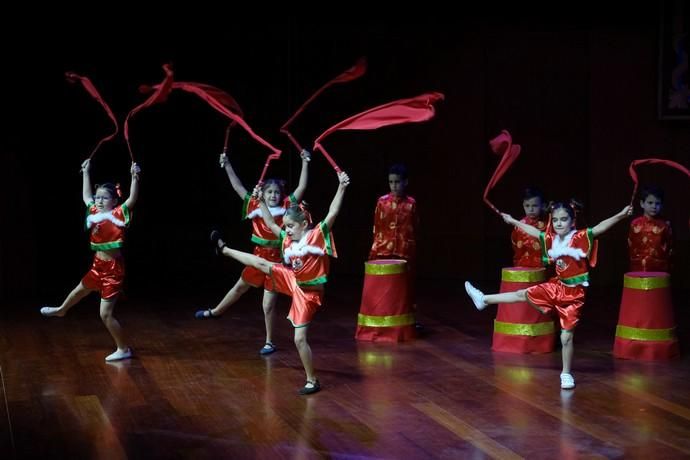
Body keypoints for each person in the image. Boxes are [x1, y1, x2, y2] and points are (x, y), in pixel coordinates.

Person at [465, 201, 632, 389]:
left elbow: (600, 227)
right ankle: (484, 299)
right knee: (522, 294)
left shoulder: (579, 237)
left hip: (574, 294)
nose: (559, 223)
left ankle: (566, 373)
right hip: (556, 286)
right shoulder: (552, 239)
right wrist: (512, 220)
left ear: (572, 221)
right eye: (557, 220)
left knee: (566, 337)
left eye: (564, 220)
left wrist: (621, 215)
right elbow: (534, 232)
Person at [211, 170, 350, 395]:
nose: (285, 230)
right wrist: (259, 201)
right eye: (285, 226)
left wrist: (341, 187)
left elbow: (333, 212)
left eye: (290, 227)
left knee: (299, 339)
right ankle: (224, 249)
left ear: (303, 224)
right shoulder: (287, 238)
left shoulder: (315, 235)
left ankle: (312, 380)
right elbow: (268, 222)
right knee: (262, 263)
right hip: (294, 280)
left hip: (309, 294)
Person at [195, 149, 310, 356]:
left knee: (268, 305)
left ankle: (269, 342)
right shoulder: (255, 204)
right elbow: (237, 186)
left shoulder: (286, 206)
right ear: (263, 194)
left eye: (276, 192)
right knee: (238, 288)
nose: (273, 195)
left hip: (276, 262)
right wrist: (227, 165)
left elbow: (302, 186)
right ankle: (216, 311)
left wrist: (304, 162)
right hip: (257, 257)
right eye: (269, 192)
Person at [40, 159, 141, 362]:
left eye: (105, 198)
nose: (99, 200)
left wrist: (135, 177)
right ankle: (61, 310)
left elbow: (132, 198)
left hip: (113, 270)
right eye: (98, 197)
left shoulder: (119, 213)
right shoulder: (93, 211)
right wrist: (86, 172)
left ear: (114, 200)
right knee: (79, 290)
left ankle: (124, 349)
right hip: (98, 265)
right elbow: (86, 195)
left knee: (105, 314)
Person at [368, 164, 419, 320]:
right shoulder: (382, 202)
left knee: (404, 288)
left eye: (397, 182)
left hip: (404, 250)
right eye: (391, 182)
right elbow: (376, 227)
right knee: (384, 288)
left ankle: (404, 319)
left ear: (405, 182)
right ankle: (383, 318)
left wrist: (411, 247)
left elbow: (415, 227)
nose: (394, 185)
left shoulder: (411, 203)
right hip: (383, 250)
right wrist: (374, 250)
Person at [628, 185, 672, 272]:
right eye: (650, 203)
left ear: (662, 205)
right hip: (637, 268)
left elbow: (670, 248)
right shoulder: (635, 224)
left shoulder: (665, 225)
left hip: (660, 270)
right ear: (642, 204)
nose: (654, 206)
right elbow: (630, 245)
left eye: (657, 203)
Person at [511, 187, 547, 268]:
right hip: (522, 267)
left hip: (542, 268)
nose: (531, 209)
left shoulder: (547, 225)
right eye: (527, 205)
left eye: (535, 205)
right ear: (523, 205)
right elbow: (515, 247)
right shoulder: (518, 226)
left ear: (542, 206)